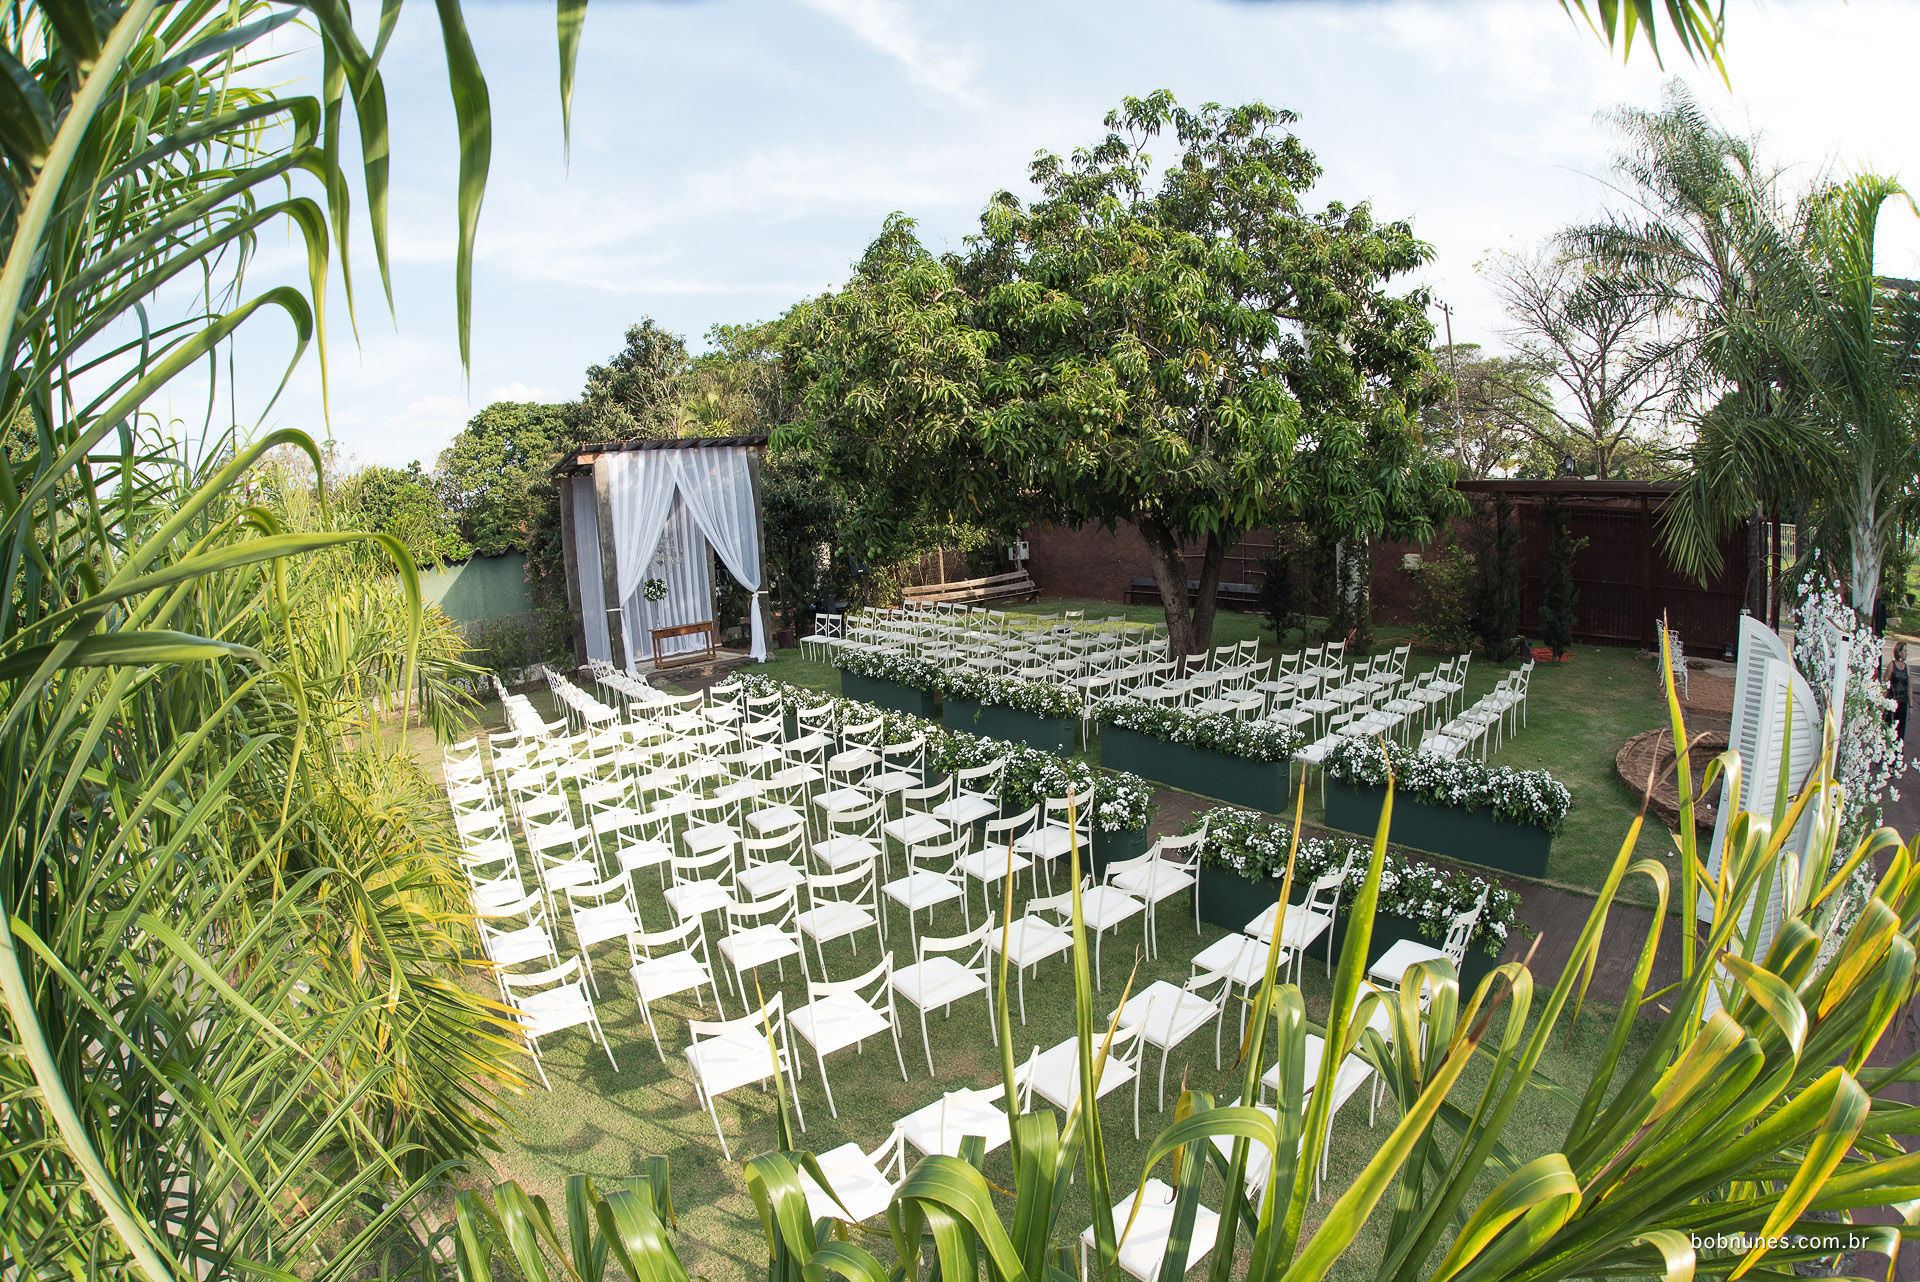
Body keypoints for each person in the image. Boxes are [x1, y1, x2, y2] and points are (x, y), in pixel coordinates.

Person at [1890, 642, 1910, 744]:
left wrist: (1911, 706)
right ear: (1899, 652)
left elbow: (1909, 687)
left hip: (1903, 703)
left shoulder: (1907, 667)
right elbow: (1885, 683)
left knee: (1900, 731)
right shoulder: (1892, 665)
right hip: (1893, 703)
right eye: (1905, 651)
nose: (1906, 653)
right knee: (1891, 728)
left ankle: (1898, 755)